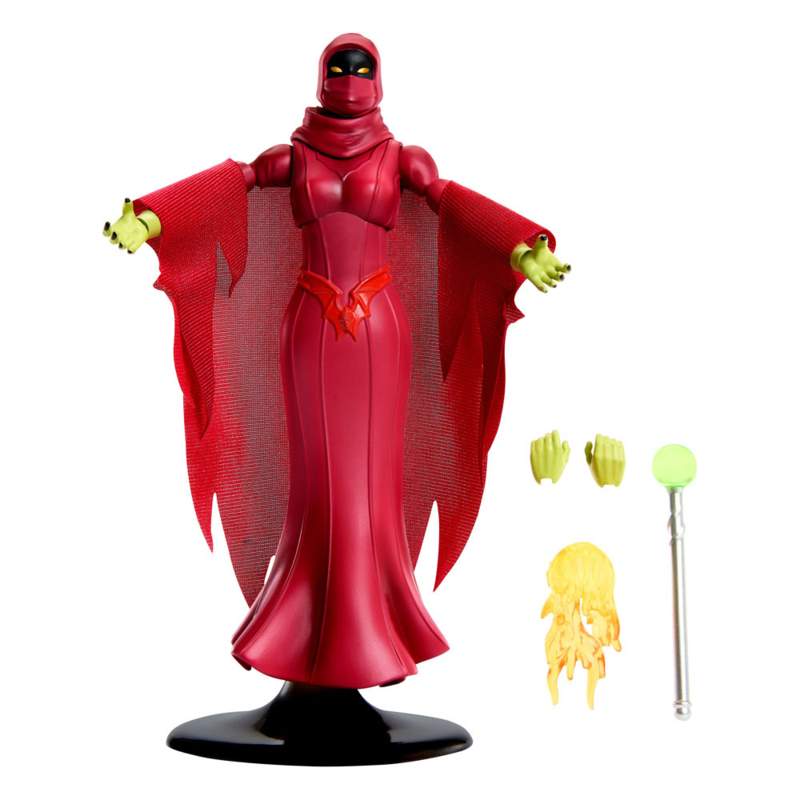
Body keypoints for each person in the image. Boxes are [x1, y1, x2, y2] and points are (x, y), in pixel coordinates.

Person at [104, 33, 571, 690]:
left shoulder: (404, 159)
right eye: (339, 66)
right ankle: (302, 623)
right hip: (311, 328)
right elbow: (227, 185)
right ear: (322, 74)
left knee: (373, 478)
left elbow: (457, 205)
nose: (350, 77)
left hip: (380, 330)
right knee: (318, 480)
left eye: (362, 67)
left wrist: (522, 249)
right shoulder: (291, 156)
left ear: (378, 79)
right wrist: (150, 218)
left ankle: (380, 625)